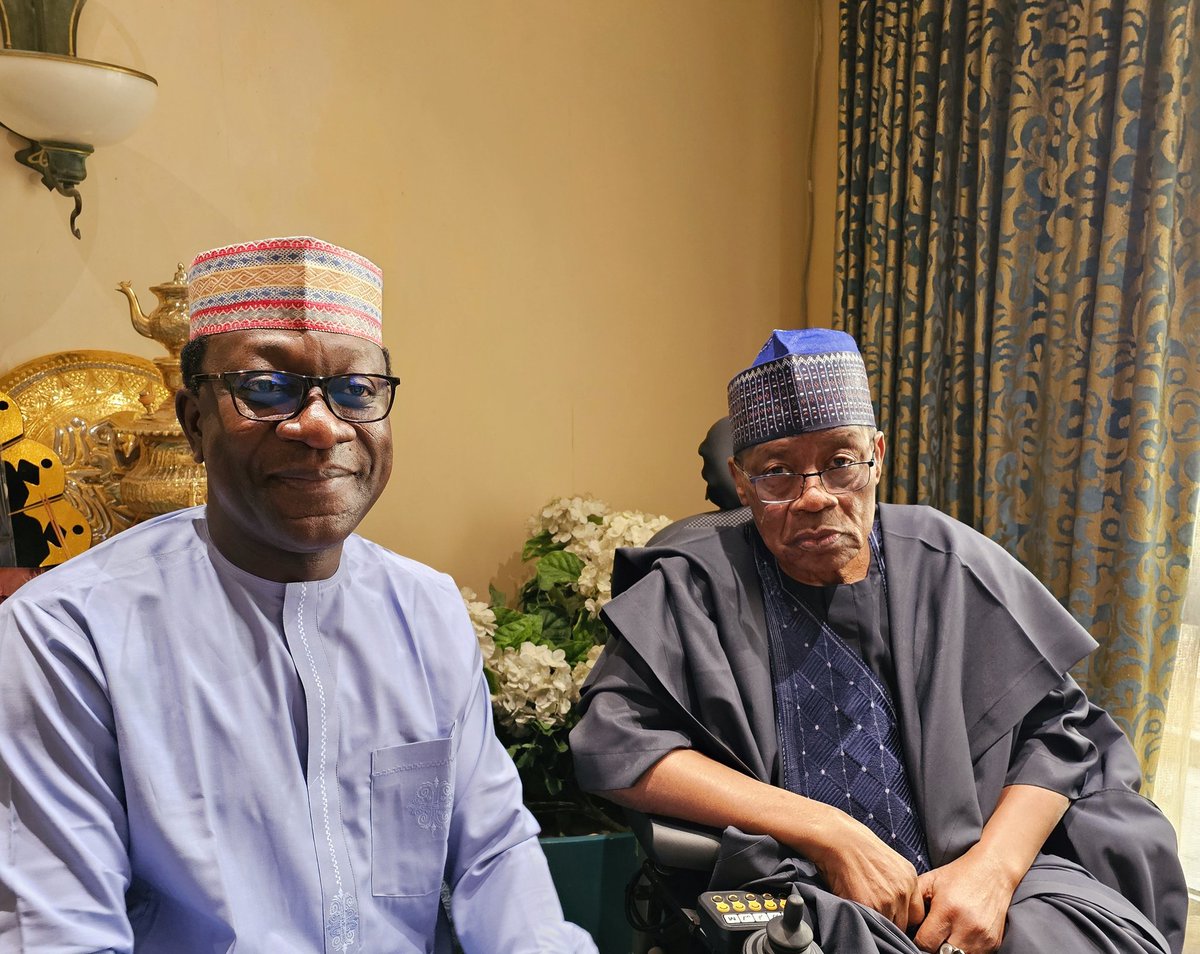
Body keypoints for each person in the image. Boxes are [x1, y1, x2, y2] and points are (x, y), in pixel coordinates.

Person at [0, 236, 596, 953]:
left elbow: (494, 859)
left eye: (357, 391)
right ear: (194, 422)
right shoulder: (68, 634)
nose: (320, 425)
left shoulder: (425, 610)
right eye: (265, 388)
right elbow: (59, 930)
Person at [571, 328, 1187, 954]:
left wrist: (993, 872)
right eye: (777, 473)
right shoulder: (694, 585)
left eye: (841, 462)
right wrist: (826, 831)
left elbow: (1057, 734)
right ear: (741, 479)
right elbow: (616, 746)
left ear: (877, 455)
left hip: (979, 866)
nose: (814, 497)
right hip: (803, 885)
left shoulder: (946, 559)